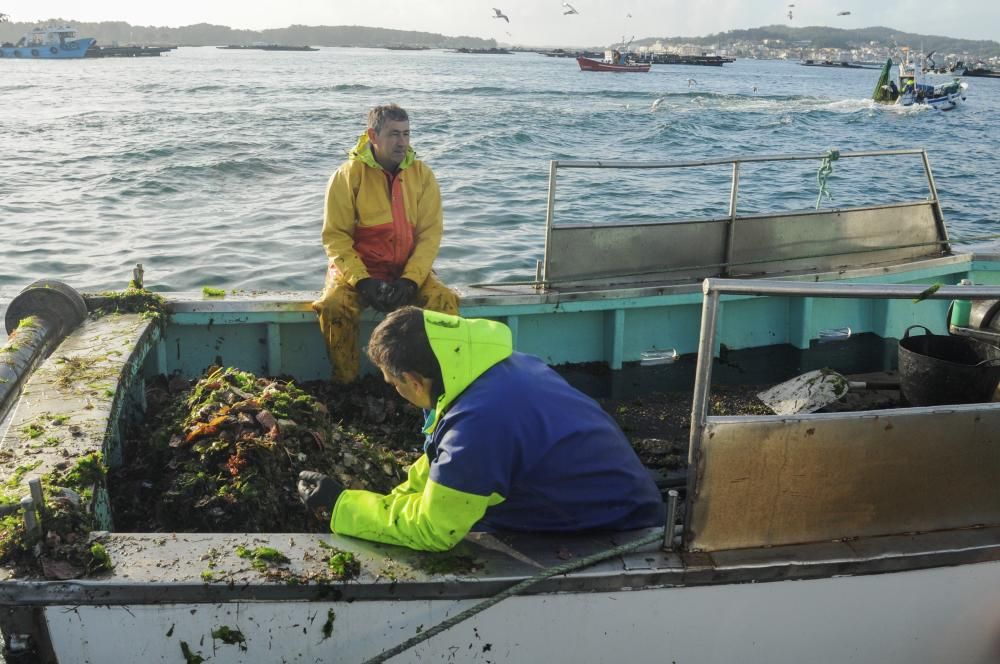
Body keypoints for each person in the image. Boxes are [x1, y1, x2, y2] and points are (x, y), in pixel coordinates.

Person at [297, 307, 664, 552]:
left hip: (618, 531)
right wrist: (388, 501)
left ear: (412, 379)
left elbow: (433, 528)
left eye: (393, 383)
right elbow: (442, 462)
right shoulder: (496, 370)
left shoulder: (478, 426)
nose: (394, 390)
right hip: (624, 498)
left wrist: (340, 507)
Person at [311, 104, 459, 384]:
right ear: (373, 135)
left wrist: (411, 281)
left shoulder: (422, 175)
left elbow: (430, 236)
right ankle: (346, 383)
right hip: (357, 273)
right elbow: (336, 237)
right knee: (333, 306)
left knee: (444, 301)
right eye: (394, 134)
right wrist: (362, 281)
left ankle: (435, 383)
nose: (402, 142)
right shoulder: (347, 176)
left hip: (406, 270)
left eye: (406, 134)